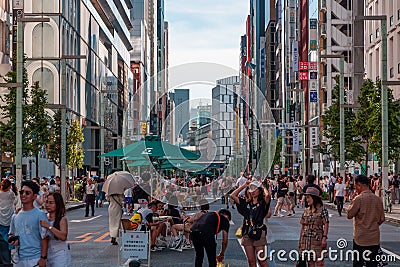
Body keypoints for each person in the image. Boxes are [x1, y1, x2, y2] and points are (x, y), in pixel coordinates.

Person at [231, 180, 271, 267]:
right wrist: (244, 186)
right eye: (250, 189)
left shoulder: (262, 203)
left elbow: (268, 196)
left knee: (262, 260)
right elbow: (232, 195)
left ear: (259, 191)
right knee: (251, 261)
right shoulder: (246, 203)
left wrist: (263, 186)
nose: (252, 191)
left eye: (255, 189)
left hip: (259, 232)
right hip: (247, 231)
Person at [8, 180, 49, 267]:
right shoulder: (15, 216)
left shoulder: (40, 215)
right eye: (21, 192)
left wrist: (43, 258)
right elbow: (11, 234)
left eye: (27, 193)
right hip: (18, 259)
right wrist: (13, 240)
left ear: (34, 196)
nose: (23, 195)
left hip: (35, 259)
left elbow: (45, 238)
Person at [347, 175, 385, 267]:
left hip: (360, 238)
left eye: (355, 186)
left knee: (358, 263)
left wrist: (352, 200)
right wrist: (373, 225)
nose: (355, 188)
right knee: (372, 263)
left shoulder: (358, 199)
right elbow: (382, 219)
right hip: (374, 238)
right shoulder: (378, 199)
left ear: (359, 185)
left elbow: (349, 215)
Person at [299, 187, 329, 266]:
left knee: (320, 262)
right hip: (306, 239)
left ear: (314, 198)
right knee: (310, 262)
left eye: (308, 197)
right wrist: (300, 240)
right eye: (306, 198)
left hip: (317, 239)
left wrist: (324, 238)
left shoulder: (322, 210)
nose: (307, 200)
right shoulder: (306, 210)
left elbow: (326, 224)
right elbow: (303, 226)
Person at [40, 193, 71, 266]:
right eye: (46, 202)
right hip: (47, 254)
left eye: (51, 203)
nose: (47, 205)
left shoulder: (62, 219)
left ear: (57, 204)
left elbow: (63, 236)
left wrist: (49, 226)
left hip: (60, 254)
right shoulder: (44, 217)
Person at [0, 179, 16, 246]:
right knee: (9, 232)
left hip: (1, 216)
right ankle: (9, 245)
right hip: (9, 215)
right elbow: (15, 201)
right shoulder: (11, 193)